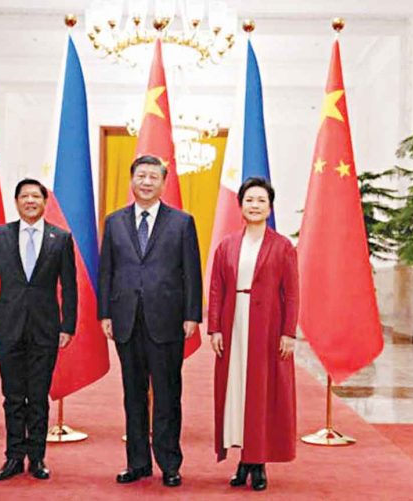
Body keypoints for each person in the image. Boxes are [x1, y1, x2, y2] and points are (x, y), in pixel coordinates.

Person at [98, 155, 202, 488]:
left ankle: (170, 462)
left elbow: (191, 272)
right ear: (132, 180)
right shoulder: (114, 222)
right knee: (133, 395)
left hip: (167, 320)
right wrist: (105, 313)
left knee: (168, 394)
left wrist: (191, 314)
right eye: (140, 176)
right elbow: (107, 271)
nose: (146, 182)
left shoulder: (182, 222)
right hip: (126, 319)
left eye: (153, 177)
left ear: (163, 182)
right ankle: (138, 463)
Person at [0, 178, 77, 482]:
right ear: (16, 201)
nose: (30, 201)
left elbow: (70, 286)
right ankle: (13, 457)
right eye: (24, 196)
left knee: (38, 396)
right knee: (12, 396)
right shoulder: (0, 235)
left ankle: (36, 457)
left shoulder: (60, 238)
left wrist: (68, 326)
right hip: (8, 326)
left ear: (44, 202)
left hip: (45, 328)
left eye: (36, 196)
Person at [207, 177, 299, 491]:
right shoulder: (227, 244)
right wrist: (215, 327)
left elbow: (292, 293)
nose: (255, 205)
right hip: (234, 326)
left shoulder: (282, 245)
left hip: (268, 328)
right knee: (237, 390)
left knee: (262, 393)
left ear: (270, 207)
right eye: (249, 200)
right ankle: (242, 458)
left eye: (261, 200)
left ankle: (258, 463)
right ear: (241, 205)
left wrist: (288, 332)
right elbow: (217, 289)